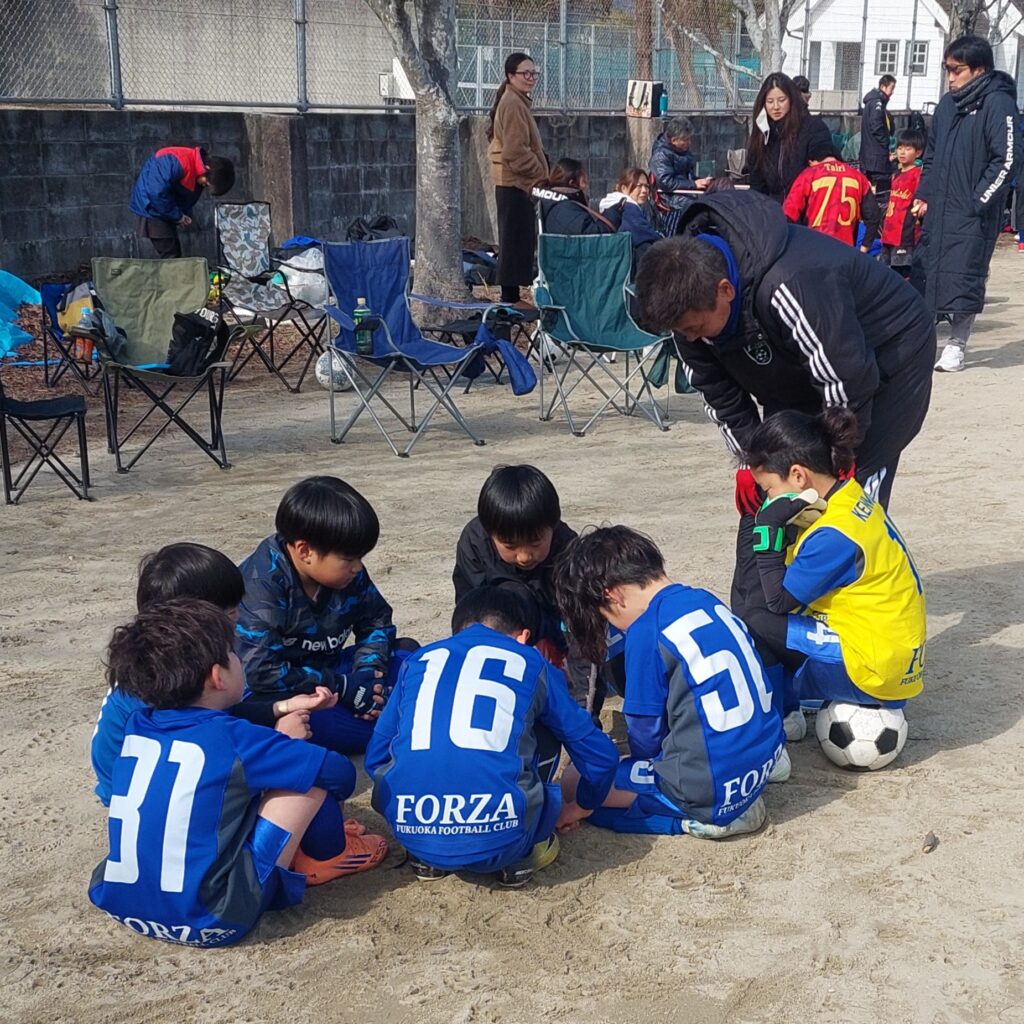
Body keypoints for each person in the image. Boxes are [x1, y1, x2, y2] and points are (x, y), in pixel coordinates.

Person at [633, 190, 935, 657]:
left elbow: (846, 380)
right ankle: (761, 637)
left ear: (725, 291)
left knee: (840, 502)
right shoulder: (689, 309)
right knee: (770, 494)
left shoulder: (790, 281)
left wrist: (839, 458)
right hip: (794, 364)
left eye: (695, 328)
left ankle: (853, 637)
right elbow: (722, 396)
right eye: (682, 332)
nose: (690, 338)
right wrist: (752, 463)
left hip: (884, 362)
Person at [88, 599, 387, 948]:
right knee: (305, 777)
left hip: (120, 900)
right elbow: (340, 775)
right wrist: (285, 744)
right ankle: (328, 855)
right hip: (216, 917)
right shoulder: (235, 738)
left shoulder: (137, 724)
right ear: (218, 676)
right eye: (233, 653)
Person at [365, 586, 619, 887]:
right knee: (543, 721)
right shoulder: (532, 662)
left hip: (413, 832)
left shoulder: (418, 660)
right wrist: (582, 805)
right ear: (524, 636)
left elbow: (377, 756)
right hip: (504, 841)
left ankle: (430, 858)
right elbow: (600, 755)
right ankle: (523, 855)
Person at [553, 527, 787, 839]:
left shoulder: (645, 630)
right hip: (766, 756)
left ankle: (694, 821)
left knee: (575, 782)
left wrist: (637, 768)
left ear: (612, 595)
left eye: (604, 615)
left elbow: (645, 733)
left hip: (710, 784)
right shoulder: (705, 599)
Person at [91, 542, 337, 807]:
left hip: (165, 771)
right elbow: (205, 752)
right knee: (307, 785)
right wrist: (280, 742)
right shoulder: (159, 693)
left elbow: (220, 715)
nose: (238, 617)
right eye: (229, 613)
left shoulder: (163, 663)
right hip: (153, 796)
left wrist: (283, 706)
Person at [740, 407, 925, 728]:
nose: (766, 499)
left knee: (756, 621)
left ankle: (781, 718)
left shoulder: (833, 535)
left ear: (798, 476)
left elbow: (778, 602)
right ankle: (798, 695)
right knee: (774, 615)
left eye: (768, 489)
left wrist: (768, 531)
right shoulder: (849, 497)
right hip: (893, 654)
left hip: (873, 671)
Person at [236, 476, 416, 756]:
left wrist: (367, 676)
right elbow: (261, 671)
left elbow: (376, 622)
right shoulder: (261, 584)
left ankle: (387, 718)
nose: (358, 567)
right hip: (283, 692)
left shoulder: (348, 574)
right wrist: (342, 686)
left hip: (334, 672)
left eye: (360, 558)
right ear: (305, 551)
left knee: (409, 655)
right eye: (349, 559)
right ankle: (396, 722)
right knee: (312, 721)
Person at [911, 35, 1022, 373]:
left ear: (979, 69)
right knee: (927, 273)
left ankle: (957, 345)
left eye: (956, 70)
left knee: (965, 276)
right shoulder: (947, 106)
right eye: (947, 70)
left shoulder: (998, 104)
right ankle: (923, 343)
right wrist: (924, 195)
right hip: (940, 209)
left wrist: (979, 201)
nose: (950, 78)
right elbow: (931, 158)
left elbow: (1007, 160)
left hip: (973, 212)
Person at [453, 465, 592, 702]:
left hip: (556, 624)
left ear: (553, 527)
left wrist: (584, 706)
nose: (524, 556)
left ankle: (557, 672)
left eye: (536, 543)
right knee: (501, 602)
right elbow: (468, 615)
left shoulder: (569, 549)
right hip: (505, 627)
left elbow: (582, 626)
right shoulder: (474, 543)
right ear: (490, 533)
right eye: (510, 546)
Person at [487, 52, 549, 308]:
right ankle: (509, 300)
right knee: (513, 241)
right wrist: (539, 173)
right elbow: (515, 151)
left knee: (517, 239)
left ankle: (511, 298)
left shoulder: (517, 100)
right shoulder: (512, 103)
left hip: (517, 182)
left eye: (534, 73)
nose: (531, 78)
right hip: (514, 182)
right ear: (510, 76)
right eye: (525, 73)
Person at [129, 147, 235, 259]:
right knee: (170, 254)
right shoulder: (177, 162)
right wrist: (178, 216)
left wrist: (183, 215)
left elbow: (184, 197)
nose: (205, 186)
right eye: (207, 183)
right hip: (150, 207)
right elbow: (157, 193)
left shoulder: (198, 172)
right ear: (207, 168)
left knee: (172, 252)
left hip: (163, 208)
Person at [745, 73, 833, 204]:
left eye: (782, 100)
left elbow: (824, 155)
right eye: (770, 101)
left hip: (805, 208)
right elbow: (757, 183)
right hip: (772, 210)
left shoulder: (812, 127)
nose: (776, 107)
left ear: (791, 99)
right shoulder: (761, 133)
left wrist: (827, 158)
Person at [782, 139, 882, 249]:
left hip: (814, 247)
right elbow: (874, 216)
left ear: (811, 162)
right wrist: (864, 248)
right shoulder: (858, 177)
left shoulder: (809, 174)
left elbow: (789, 213)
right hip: (845, 250)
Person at [879, 128, 926, 280]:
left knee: (902, 273)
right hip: (889, 232)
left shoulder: (917, 175)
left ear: (918, 153)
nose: (902, 152)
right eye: (899, 148)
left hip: (905, 233)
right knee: (886, 270)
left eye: (908, 148)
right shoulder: (895, 174)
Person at [532, 158, 616, 236]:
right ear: (572, 183)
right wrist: (614, 212)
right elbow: (592, 234)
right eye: (583, 181)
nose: (586, 185)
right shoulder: (564, 208)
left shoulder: (551, 201)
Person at [599, 167, 663, 266]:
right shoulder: (628, 206)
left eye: (646, 186)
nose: (644, 190)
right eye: (639, 186)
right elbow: (641, 232)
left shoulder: (612, 204)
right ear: (624, 188)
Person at [649, 116, 713, 203]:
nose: (689, 143)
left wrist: (702, 181)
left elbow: (687, 176)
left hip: (686, 191)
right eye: (685, 140)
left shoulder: (682, 150)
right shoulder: (661, 155)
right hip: (671, 198)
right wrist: (693, 184)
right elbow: (666, 182)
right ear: (674, 140)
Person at [860, 75, 896, 208]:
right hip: (876, 158)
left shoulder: (873, 102)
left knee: (869, 188)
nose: (892, 92)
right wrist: (886, 142)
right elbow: (876, 126)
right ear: (883, 87)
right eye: (891, 88)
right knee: (882, 192)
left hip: (868, 156)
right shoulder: (877, 103)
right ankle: (878, 213)